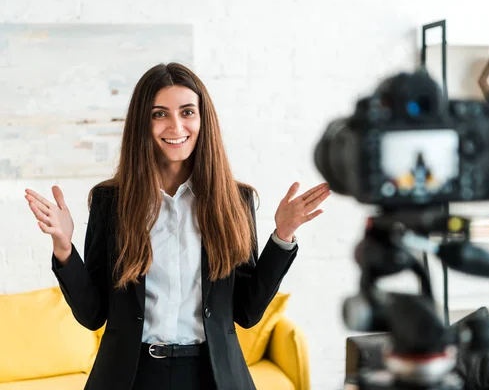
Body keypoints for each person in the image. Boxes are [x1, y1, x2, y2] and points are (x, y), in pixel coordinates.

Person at [24, 62, 330, 390]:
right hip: (131, 376)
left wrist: (282, 237)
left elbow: (246, 312)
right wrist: (64, 248)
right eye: (159, 114)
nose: (175, 125)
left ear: (202, 119)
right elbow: (93, 314)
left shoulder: (235, 201)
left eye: (187, 112)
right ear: (143, 122)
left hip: (212, 376)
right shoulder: (110, 201)